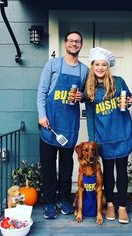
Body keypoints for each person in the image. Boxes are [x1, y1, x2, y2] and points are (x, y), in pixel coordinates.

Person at [37, 31, 89, 219]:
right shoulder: (53, 64)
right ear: (65, 43)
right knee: (48, 166)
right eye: (71, 41)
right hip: (49, 124)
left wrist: (81, 96)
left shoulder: (84, 71)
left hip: (69, 125)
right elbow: (42, 92)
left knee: (67, 166)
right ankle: (49, 202)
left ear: (81, 45)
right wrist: (42, 116)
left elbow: (87, 95)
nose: (74, 44)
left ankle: (64, 199)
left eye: (77, 41)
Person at [85, 47, 132, 224]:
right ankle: (111, 204)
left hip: (121, 133)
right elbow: (90, 116)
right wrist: (92, 139)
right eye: (97, 64)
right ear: (92, 66)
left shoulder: (118, 82)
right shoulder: (89, 89)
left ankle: (122, 207)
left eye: (103, 64)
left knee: (121, 171)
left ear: (108, 67)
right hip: (103, 137)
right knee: (107, 174)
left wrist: (129, 100)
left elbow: (128, 99)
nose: (100, 67)